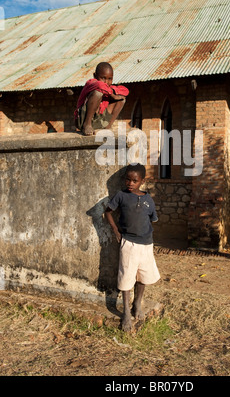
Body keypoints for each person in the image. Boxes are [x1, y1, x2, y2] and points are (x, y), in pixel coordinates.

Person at [105, 164, 160, 332]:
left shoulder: (148, 199)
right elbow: (107, 212)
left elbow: (152, 219)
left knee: (143, 275)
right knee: (126, 276)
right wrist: (115, 230)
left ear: (142, 181)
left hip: (146, 243)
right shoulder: (121, 196)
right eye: (128, 179)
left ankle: (137, 303)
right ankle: (126, 313)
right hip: (128, 243)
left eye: (134, 180)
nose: (130, 183)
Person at [74, 62, 129, 136]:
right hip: (83, 119)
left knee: (121, 99)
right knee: (98, 93)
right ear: (95, 76)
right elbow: (100, 85)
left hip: (100, 120)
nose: (106, 82)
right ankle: (87, 124)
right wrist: (112, 95)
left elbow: (126, 91)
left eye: (110, 79)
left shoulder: (109, 88)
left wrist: (112, 92)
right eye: (103, 78)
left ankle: (108, 127)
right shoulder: (91, 83)